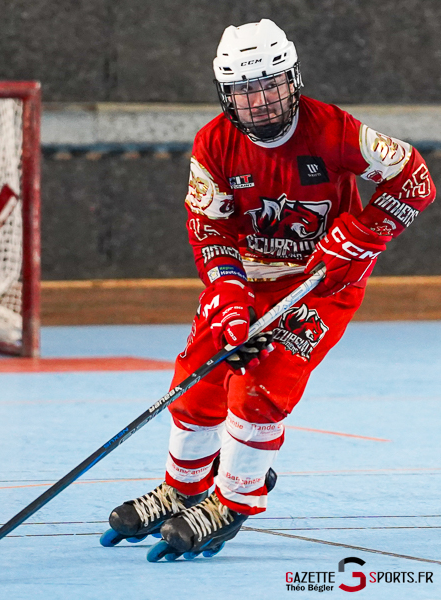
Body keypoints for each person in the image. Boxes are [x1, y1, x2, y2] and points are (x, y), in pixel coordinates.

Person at [102, 18, 435, 560]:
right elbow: (210, 230)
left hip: (320, 286)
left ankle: (232, 499)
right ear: (225, 94)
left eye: (270, 85)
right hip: (249, 281)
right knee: (196, 380)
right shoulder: (213, 143)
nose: (259, 102)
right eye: (244, 91)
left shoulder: (335, 131)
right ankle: (182, 489)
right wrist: (230, 303)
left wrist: (363, 234)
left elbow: (414, 179)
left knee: (261, 384)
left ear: (293, 79)